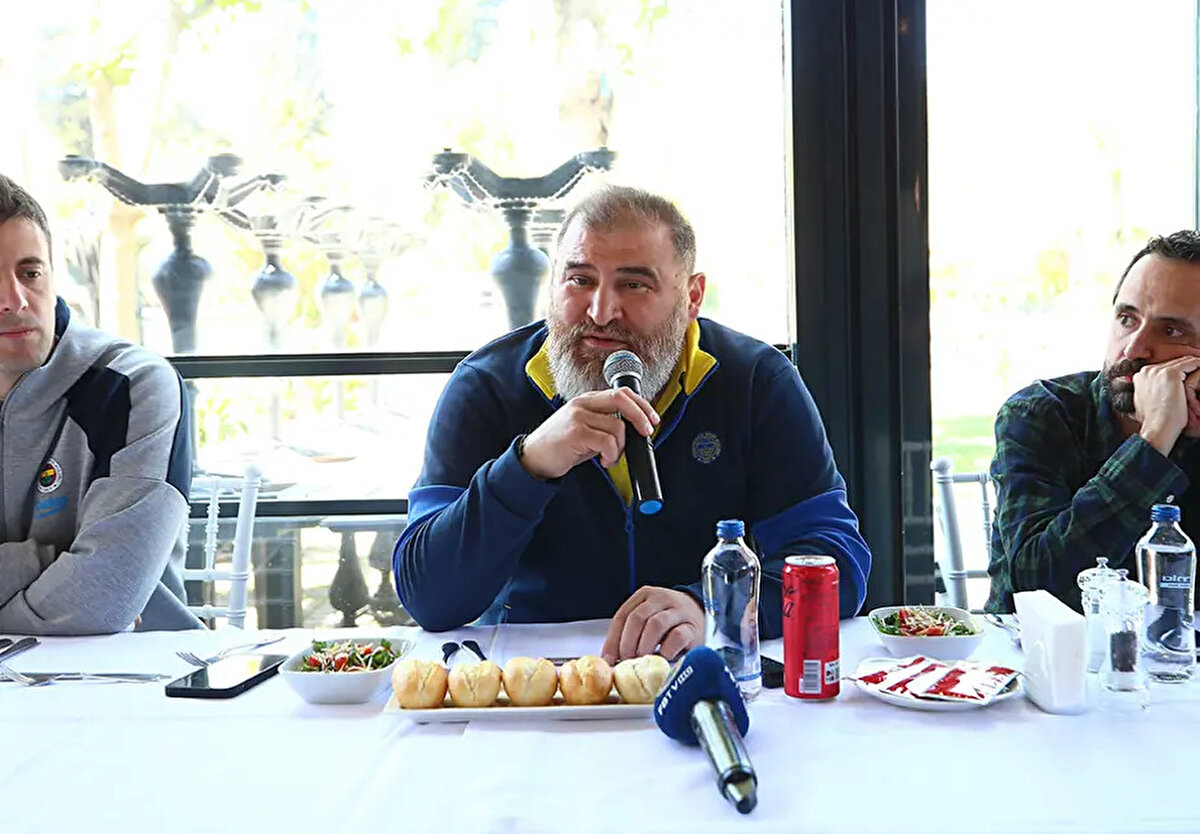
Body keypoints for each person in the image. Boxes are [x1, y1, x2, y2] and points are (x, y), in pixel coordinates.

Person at [394, 185, 871, 661]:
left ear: (692, 296)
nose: (601, 312)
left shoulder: (757, 382)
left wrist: (712, 608)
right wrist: (527, 465)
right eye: (580, 280)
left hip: (700, 675)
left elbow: (838, 561)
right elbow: (428, 596)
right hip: (534, 695)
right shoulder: (485, 387)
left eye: (634, 284)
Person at [0, 174, 199, 633]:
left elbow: (102, 599)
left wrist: (85, 570)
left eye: (30, 273)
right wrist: (54, 558)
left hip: (132, 685)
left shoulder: (131, 386)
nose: (15, 300)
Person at [987, 230, 1200, 613]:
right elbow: (1036, 591)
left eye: (1171, 331)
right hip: (1047, 668)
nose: (1133, 348)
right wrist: (1154, 442)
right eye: (1126, 318)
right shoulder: (1041, 414)